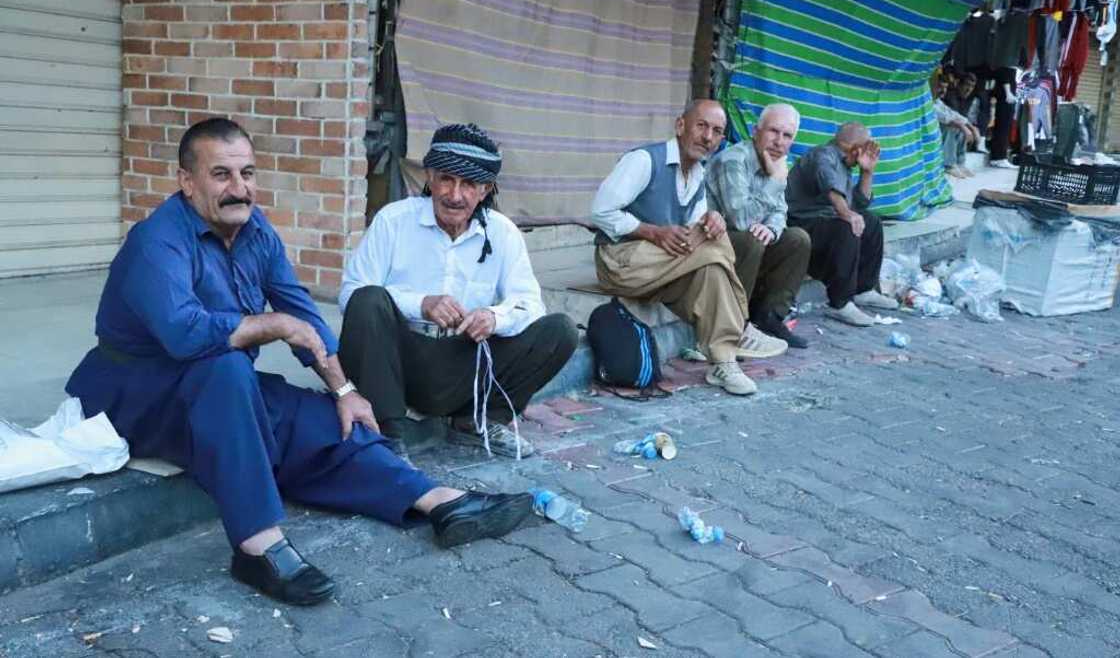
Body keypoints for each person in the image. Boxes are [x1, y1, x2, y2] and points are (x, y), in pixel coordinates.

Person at [65, 118, 534, 607]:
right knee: (227, 373)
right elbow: (186, 335)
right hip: (134, 393)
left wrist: (345, 390)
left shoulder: (254, 230)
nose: (239, 188)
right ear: (187, 181)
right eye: (221, 175)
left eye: (247, 173)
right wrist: (276, 325)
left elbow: (302, 311)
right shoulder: (155, 241)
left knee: (318, 419)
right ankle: (256, 545)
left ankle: (436, 501)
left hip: (216, 389)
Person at [339, 123, 578, 459]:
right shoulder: (393, 221)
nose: (454, 195)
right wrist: (420, 304)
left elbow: (529, 305)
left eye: (468, 184)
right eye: (446, 180)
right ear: (430, 178)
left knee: (559, 331)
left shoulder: (502, 233)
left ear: (485, 189)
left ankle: (476, 421)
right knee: (368, 299)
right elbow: (351, 296)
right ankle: (389, 433)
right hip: (397, 362)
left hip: (461, 362)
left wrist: (494, 318)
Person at [590, 99, 782, 397]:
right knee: (715, 243)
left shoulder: (698, 174)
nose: (708, 137)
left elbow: (694, 230)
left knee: (713, 268)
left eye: (717, 131)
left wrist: (712, 220)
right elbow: (600, 211)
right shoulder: (644, 160)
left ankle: (723, 363)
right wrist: (652, 231)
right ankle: (740, 326)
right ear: (681, 126)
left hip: (662, 270)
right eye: (701, 126)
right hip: (620, 262)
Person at [706, 103, 812, 349]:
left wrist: (772, 229)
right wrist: (775, 180)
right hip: (711, 239)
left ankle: (769, 318)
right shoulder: (734, 159)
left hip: (745, 244)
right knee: (750, 238)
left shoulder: (777, 164)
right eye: (773, 131)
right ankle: (734, 326)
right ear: (756, 131)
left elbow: (780, 211)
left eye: (787, 136)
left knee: (797, 239)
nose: (779, 141)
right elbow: (740, 220)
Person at [785, 122, 898, 327]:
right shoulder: (823, 155)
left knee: (871, 221)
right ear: (856, 149)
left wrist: (867, 172)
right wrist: (847, 214)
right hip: (801, 223)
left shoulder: (847, 165)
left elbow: (860, 203)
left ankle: (863, 290)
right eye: (866, 147)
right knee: (847, 226)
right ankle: (840, 304)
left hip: (824, 222)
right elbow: (830, 186)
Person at [934, 75, 981, 179]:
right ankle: (948, 165)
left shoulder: (938, 101)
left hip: (938, 135)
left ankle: (960, 163)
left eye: (945, 87)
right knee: (952, 127)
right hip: (930, 136)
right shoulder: (930, 101)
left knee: (961, 126)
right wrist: (963, 127)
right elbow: (945, 118)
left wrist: (971, 128)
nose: (943, 90)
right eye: (940, 87)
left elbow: (954, 114)